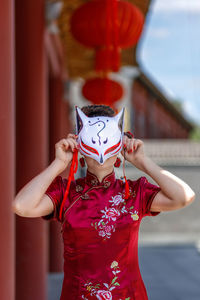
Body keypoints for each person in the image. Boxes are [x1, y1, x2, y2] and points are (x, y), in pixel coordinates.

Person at [13, 104, 195, 300]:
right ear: (80, 146)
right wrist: (59, 164)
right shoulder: (66, 194)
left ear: (119, 147)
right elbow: (22, 206)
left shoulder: (134, 192)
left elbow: (184, 196)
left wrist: (142, 162)